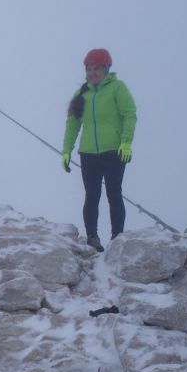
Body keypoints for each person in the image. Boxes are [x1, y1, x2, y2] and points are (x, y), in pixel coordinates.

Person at [62, 48, 137, 252]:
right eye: (89, 69)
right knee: (92, 195)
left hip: (114, 151)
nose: (92, 73)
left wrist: (126, 142)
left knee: (114, 193)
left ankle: (117, 238)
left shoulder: (117, 88)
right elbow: (73, 124)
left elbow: (129, 115)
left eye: (96, 69)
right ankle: (92, 238)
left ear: (106, 69)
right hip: (88, 153)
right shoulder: (82, 94)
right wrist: (66, 150)